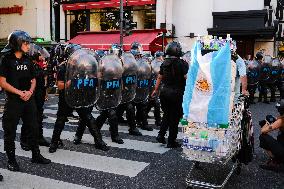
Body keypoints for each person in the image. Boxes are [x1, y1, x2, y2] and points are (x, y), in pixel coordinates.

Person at [0, 30, 51, 171]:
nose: (28, 46)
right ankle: (11, 161)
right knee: (10, 131)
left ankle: (36, 155)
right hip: (14, 101)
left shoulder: (28, 59)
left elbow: (33, 79)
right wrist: (19, 93)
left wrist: (29, 92)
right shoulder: (6, 59)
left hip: (28, 100)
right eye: (26, 43)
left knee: (33, 128)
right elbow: (2, 82)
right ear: (17, 43)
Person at [49, 44, 109, 153]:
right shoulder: (63, 67)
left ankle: (99, 142)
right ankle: (54, 142)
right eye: (77, 55)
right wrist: (71, 80)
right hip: (67, 97)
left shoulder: (84, 66)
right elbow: (60, 86)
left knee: (88, 118)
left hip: (81, 96)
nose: (79, 57)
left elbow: (95, 80)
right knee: (61, 120)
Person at [152, 41, 188, 148]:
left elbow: (159, 77)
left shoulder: (164, 63)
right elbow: (187, 78)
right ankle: (171, 141)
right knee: (175, 118)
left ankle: (161, 135)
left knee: (166, 115)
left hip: (164, 92)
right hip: (177, 93)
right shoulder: (182, 63)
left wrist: (155, 90)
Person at [21, 50, 50, 151]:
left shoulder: (38, 65)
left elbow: (42, 80)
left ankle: (39, 137)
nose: (42, 56)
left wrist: (45, 93)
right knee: (28, 118)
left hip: (39, 95)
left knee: (39, 117)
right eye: (40, 55)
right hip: (31, 95)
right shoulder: (27, 66)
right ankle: (24, 140)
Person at [131, 42, 153, 131]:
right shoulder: (129, 61)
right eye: (137, 55)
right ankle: (134, 126)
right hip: (132, 88)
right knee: (131, 108)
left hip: (141, 86)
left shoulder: (144, 61)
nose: (138, 56)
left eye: (139, 55)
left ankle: (143, 123)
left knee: (142, 106)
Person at [259, 100, 284, 171]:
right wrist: (273, 119)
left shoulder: (281, 121)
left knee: (263, 137)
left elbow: (263, 131)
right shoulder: (280, 119)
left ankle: (275, 161)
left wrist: (267, 123)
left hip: (282, 152)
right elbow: (277, 120)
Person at [146, 51, 164, 127]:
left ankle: (142, 115)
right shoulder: (160, 64)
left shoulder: (151, 63)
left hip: (150, 86)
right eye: (162, 56)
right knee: (156, 103)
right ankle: (158, 120)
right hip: (156, 86)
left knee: (151, 102)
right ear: (160, 57)